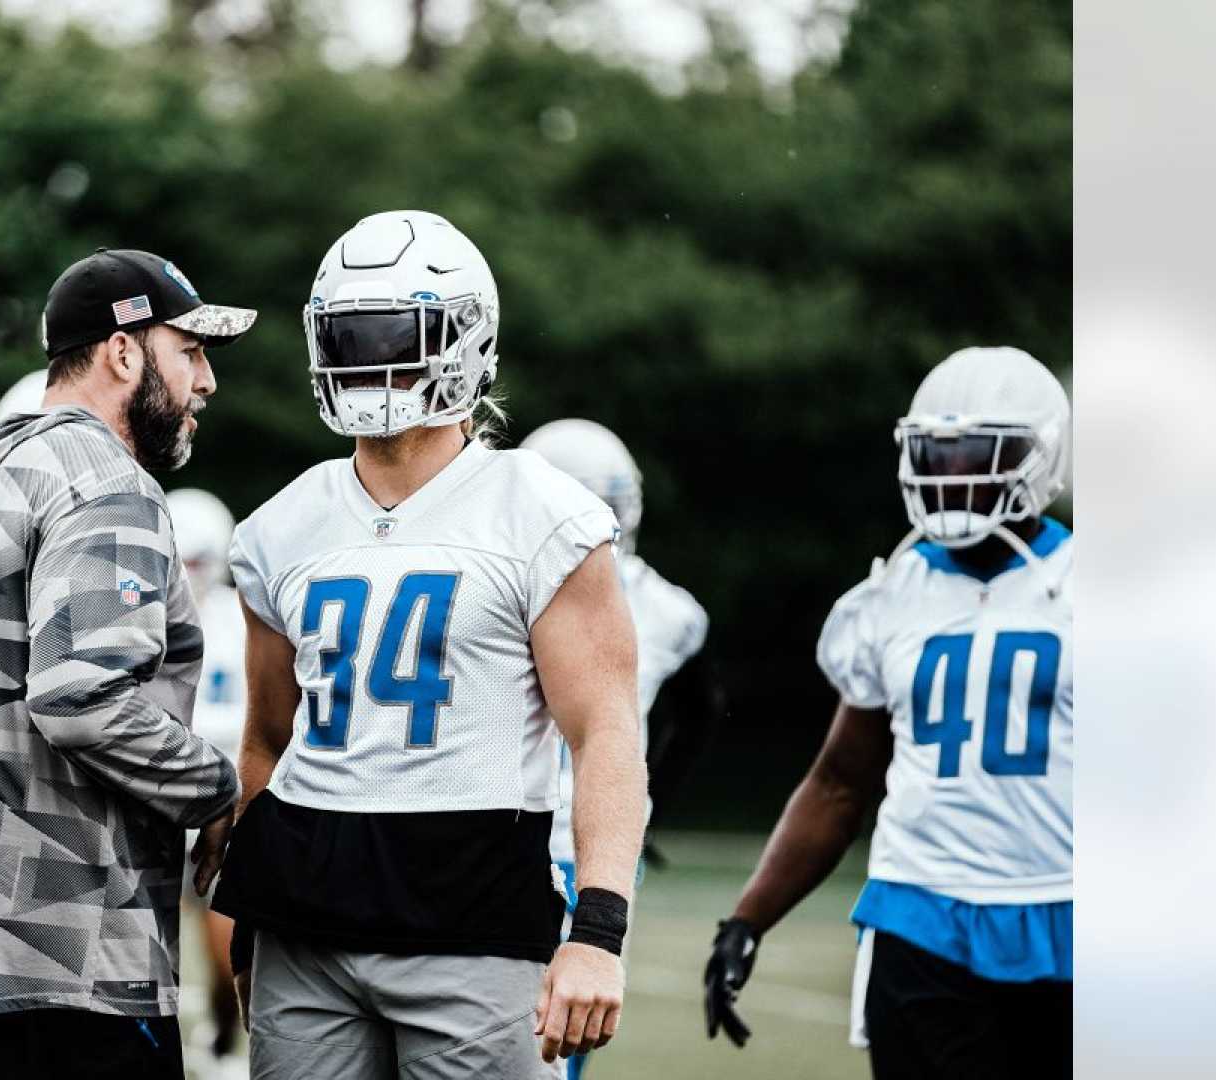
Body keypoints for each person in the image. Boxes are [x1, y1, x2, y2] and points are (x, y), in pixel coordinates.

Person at [206, 210, 648, 1078]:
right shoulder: (280, 527)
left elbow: (605, 730)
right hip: (307, 931)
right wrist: (253, 915)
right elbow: (267, 740)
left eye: (394, 336)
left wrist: (598, 930)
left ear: (466, 338)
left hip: (475, 924)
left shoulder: (540, 510)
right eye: (348, 337)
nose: (369, 364)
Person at [0, 247, 255, 1080]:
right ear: (123, 352)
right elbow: (81, 696)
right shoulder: (107, 484)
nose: (205, 384)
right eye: (189, 352)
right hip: (65, 961)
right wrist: (216, 789)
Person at [703, 346, 1073, 1077]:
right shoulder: (889, 597)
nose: (953, 476)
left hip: (1067, 907)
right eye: (938, 456)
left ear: (1043, 459)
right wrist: (747, 919)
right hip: (919, 914)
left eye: (977, 456)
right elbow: (840, 781)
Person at [519, 418, 712, 1079]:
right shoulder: (666, 606)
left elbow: (699, 710)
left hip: (561, 838)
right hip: (582, 838)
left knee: (543, 1040)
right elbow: (702, 713)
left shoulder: (512, 581)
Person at [167, 486, 248, 1068]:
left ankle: (223, 1031)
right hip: (168, 789)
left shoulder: (239, 623)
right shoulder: (141, 616)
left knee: (223, 927)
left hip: (213, 788)